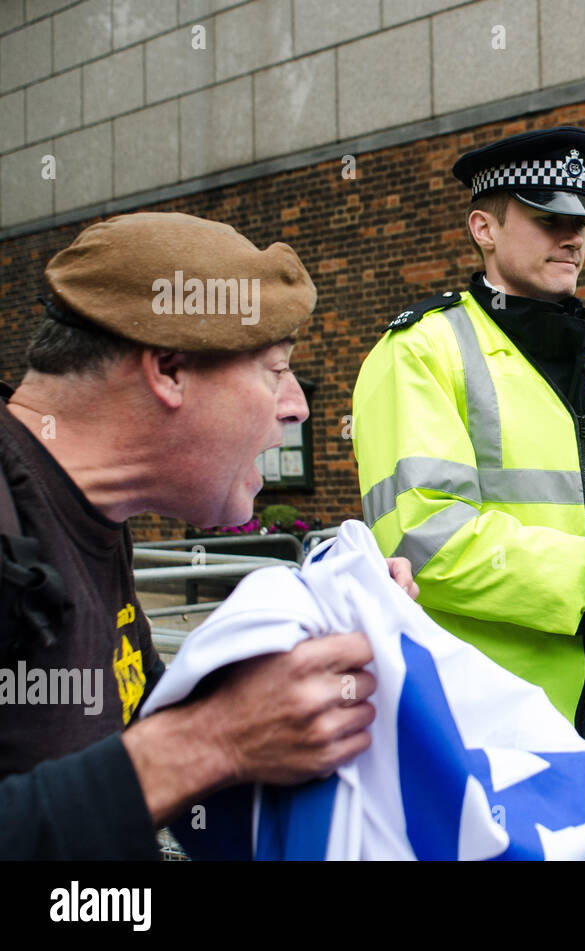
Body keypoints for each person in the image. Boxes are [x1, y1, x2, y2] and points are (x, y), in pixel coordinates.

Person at [0, 212, 413, 859]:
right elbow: (174, 747)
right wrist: (216, 735)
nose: (298, 406)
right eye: (276, 370)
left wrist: (304, 650)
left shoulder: (90, 514)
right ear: (168, 369)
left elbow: (130, 734)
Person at [351, 125, 585, 861]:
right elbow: (426, 540)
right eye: (547, 217)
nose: (572, 237)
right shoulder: (421, 351)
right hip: (485, 770)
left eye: (581, 222)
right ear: (484, 227)